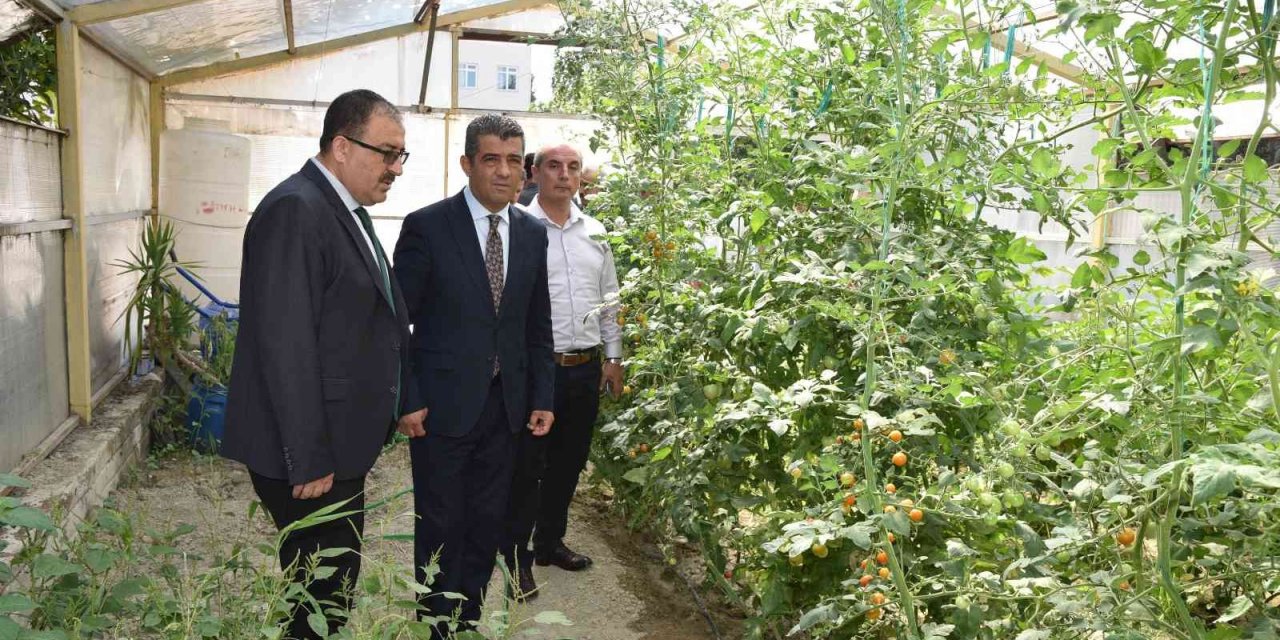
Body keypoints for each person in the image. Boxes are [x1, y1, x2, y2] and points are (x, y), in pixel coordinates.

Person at [221, 89, 426, 640]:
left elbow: (374, 314)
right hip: (311, 456)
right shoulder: (297, 209)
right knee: (321, 593)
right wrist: (307, 457)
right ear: (341, 145)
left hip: (334, 445)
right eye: (387, 153)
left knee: (327, 587)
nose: (396, 168)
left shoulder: (341, 208)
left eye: (402, 155)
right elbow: (284, 344)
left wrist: (402, 398)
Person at [392, 114, 556, 638]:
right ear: (467, 164)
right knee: (440, 523)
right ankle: (435, 626)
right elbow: (396, 322)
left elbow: (537, 323)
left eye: (514, 161)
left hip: (505, 407)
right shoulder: (427, 226)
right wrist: (407, 398)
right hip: (440, 408)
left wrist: (542, 396)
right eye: (491, 159)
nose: (505, 172)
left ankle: (467, 622)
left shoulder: (532, 233)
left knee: (488, 523)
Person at [501, 143, 624, 600]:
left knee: (569, 464)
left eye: (573, 168)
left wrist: (613, 357)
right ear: (535, 172)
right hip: (538, 370)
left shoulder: (596, 231)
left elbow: (610, 297)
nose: (564, 176)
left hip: (584, 368)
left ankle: (549, 543)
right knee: (527, 468)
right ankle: (516, 559)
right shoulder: (517, 229)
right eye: (554, 166)